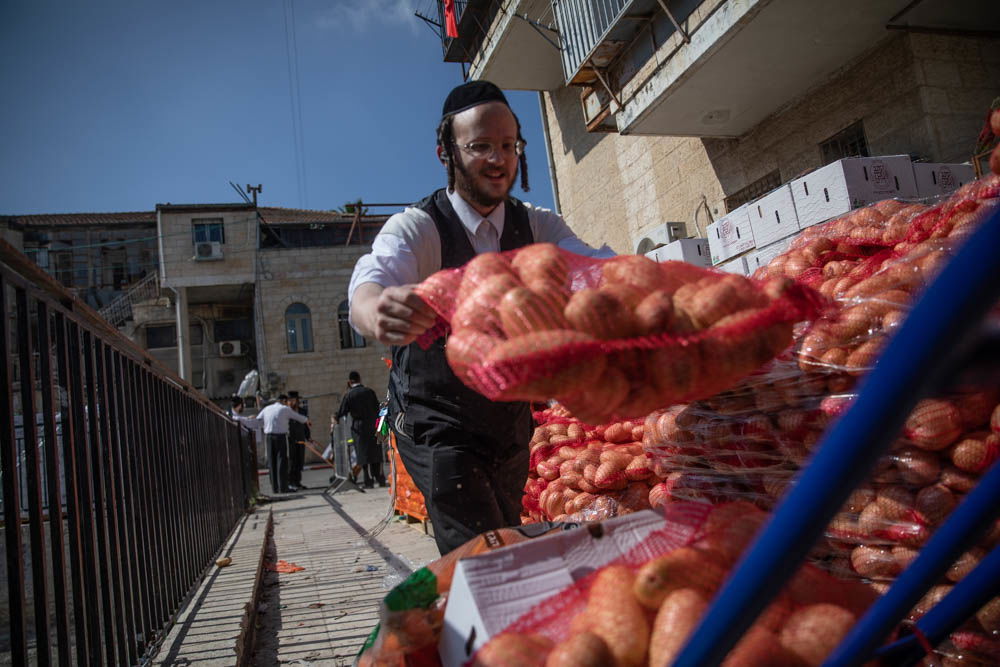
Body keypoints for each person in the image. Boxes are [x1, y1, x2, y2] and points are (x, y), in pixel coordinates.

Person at [347, 80, 611, 554]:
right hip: (437, 426)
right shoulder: (421, 227)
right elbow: (374, 278)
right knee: (485, 555)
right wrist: (375, 309)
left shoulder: (535, 224)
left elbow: (593, 268)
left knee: (507, 537)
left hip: (508, 424)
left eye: (509, 146)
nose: (498, 159)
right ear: (445, 153)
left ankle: (479, 619)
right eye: (481, 146)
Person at [335, 371, 385, 488]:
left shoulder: (349, 395)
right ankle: (379, 478)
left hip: (358, 427)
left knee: (363, 454)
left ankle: (368, 480)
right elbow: (377, 407)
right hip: (373, 425)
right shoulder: (369, 391)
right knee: (375, 453)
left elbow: (342, 411)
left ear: (349, 382)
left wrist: (335, 418)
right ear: (360, 379)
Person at [257, 394, 311, 494]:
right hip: (280, 437)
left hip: (268, 437)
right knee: (281, 461)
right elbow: (298, 417)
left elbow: (258, 420)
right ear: (284, 401)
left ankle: (275, 488)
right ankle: (283, 487)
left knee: (272, 462)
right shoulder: (285, 409)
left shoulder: (267, 408)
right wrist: (306, 420)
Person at [286, 391, 310, 491]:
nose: (292, 402)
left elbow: (306, 425)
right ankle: (291, 482)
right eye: (290, 400)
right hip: (290, 439)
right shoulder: (286, 412)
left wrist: (308, 437)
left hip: (300, 438)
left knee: (300, 461)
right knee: (292, 461)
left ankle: (298, 482)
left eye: (294, 400)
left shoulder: (302, 411)